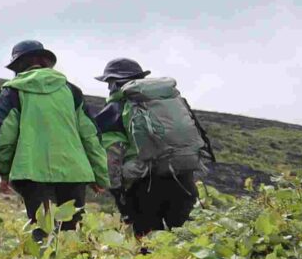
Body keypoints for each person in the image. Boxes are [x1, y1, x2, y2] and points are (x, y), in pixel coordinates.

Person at [0, 40, 107, 232]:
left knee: (43, 232)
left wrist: (5, 173)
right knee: (71, 235)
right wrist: (100, 176)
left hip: (31, 172)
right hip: (74, 172)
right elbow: (91, 136)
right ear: (46, 62)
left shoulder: (12, 92)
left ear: (18, 66)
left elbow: (4, 137)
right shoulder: (71, 91)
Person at [89, 57, 214, 236]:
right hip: (183, 180)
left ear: (113, 83)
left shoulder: (114, 111)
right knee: (181, 239)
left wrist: (118, 194)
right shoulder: (172, 101)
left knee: (147, 242)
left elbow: (112, 157)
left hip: (144, 187)